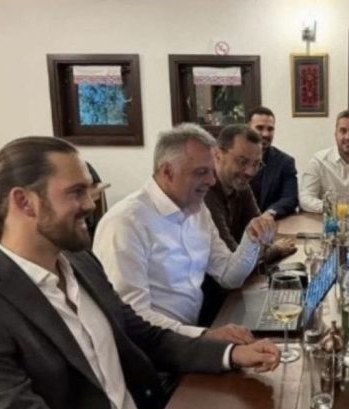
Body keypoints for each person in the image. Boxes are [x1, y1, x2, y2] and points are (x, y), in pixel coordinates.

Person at [0, 136, 280, 409]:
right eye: (76, 192)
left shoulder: (79, 263)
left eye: (89, 190)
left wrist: (231, 354)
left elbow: (143, 335)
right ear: (24, 202)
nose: (91, 204)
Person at [93, 123, 274, 344]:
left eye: (211, 171)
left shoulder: (198, 210)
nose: (211, 181)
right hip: (152, 348)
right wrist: (205, 337)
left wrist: (252, 238)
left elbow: (229, 276)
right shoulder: (125, 222)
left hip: (189, 337)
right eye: (201, 172)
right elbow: (132, 317)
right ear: (167, 171)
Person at [202, 124, 296, 322]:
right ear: (218, 155)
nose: (250, 172)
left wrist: (261, 249)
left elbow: (263, 238)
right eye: (243, 161)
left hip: (236, 290)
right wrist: (273, 252)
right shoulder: (206, 193)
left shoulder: (241, 186)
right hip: (211, 305)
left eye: (256, 164)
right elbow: (236, 265)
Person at [247, 106, 299, 219]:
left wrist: (270, 213)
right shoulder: (235, 159)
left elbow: (290, 198)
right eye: (260, 128)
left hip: (270, 223)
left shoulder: (285, 162)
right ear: (248, 127)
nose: (265, 134)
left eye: (270, 129)